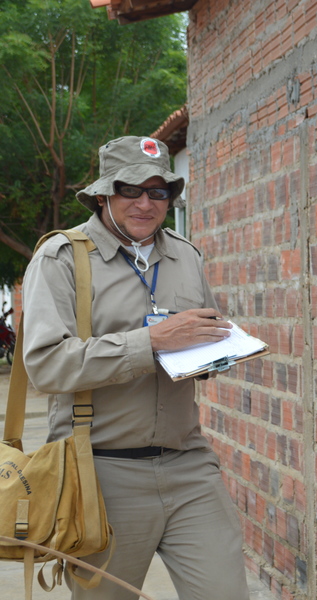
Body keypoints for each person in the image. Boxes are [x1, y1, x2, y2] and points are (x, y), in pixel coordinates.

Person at [22, 136, 249, 599]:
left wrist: (217, 353)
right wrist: (150, 343)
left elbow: (199, 335)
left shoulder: (185, 255)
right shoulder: (62, 258)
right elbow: (45, 364)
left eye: (158, 192)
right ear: (105, 193)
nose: (145, 203)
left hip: (189, 464)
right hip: (102, 474)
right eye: (131, 189)